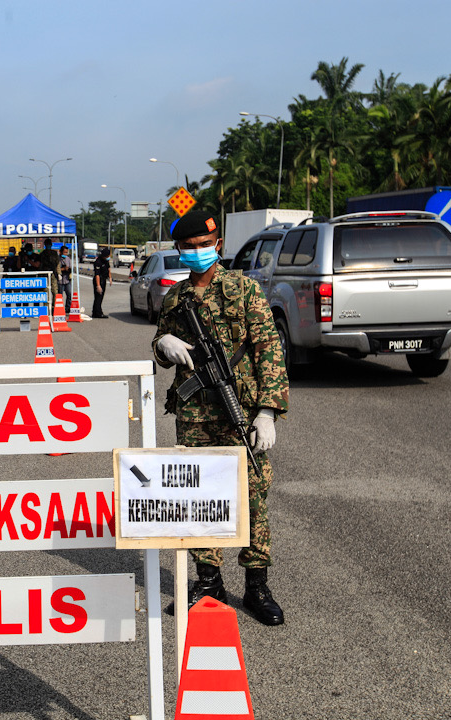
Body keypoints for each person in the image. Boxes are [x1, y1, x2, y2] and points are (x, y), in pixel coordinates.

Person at [151, 209, 289, 626]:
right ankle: (208, 582)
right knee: (200, 498)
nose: (197, 253)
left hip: (241, 412)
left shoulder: (244, 290)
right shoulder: (175, 297)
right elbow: (157, 348)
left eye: (203, 246)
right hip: (194, 417)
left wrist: (268, 410)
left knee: (252, 497)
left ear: (218, 245)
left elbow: (269, 349)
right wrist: (164, 343)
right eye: (189, 247)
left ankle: (256, 586)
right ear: (179, 249)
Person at [91, 247, 110, 318]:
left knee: (99, 297)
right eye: (107, 256)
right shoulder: (98, 262)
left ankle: (95, 312)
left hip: (103, 279)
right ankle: (98, 313)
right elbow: (97, 275)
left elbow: (108, 268)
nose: (108, 257)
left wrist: (110, 278)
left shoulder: (105, 261)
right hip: (98, 280)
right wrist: (98, 285)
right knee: (98, 296)